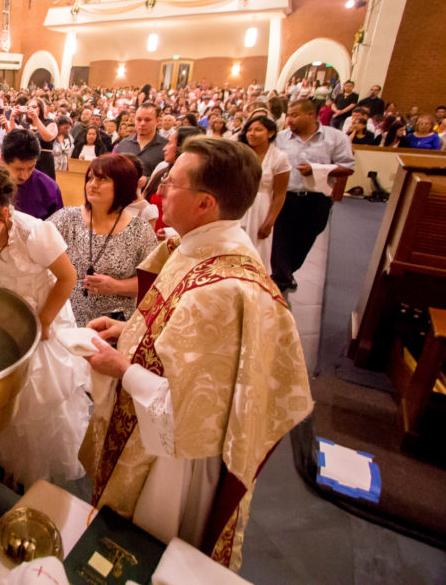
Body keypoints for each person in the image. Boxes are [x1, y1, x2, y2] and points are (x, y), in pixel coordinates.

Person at [81, 137, 312, 571]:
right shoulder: (198, 245)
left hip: (171, 459)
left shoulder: (224, 291)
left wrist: (122, 369)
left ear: (205, 203)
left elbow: (192, 411)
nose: (160, 190)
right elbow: (175, 329)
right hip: (152, 425)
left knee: (146, 550)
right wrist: (130, 329)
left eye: (172, 183)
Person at [0, 162, 88, 489]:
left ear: (2, 216)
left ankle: (34, 472)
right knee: (1, 392)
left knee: (37, 398)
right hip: (3, 311)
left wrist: (43, 321)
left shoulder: (35, 233)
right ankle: (3, 458)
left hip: (43, 309)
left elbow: (68, 277)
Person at [49, 155, 157, 327]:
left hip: (113, 324)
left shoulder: (140, 229)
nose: (92, 184)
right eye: (90, 178)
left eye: (102, 179)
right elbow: (37, 250)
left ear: (123, 184)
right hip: (65, 319)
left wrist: (116, 286)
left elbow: (152, 282)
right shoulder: (67, 218)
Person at [271, 98, 355, 293]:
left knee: (304, 241)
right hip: (286, 196)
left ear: (310, 115)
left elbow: (348, 167)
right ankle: (280, 280)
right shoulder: (280, 138)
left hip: (316, 199)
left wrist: (317, 169)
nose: (289, 120)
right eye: (288, 115)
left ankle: (287, 272)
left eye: (294, 115)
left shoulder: (335, 137)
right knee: (280, 239)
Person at [238, 116, 290, 272]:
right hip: (239, 203)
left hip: (261, 206)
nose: (252, 134)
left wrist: (270, 221)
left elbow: (280, 193)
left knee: (256, 250)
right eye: (249, 130)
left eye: (258, 130)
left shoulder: (279, 157)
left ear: (271, 133)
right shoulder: (242, 153)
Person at [3, 129, 64, 221]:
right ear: (3, 160)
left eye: (31, 168)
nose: (24, 176)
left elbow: (58, 228)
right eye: (19, 169)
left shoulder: (49, 188)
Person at [114, 103, 166, 176]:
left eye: (147, 120)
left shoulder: (166, 147)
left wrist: (147, 181)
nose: (142, 123)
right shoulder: (123, 144)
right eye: (139, 119)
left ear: (157, 121)